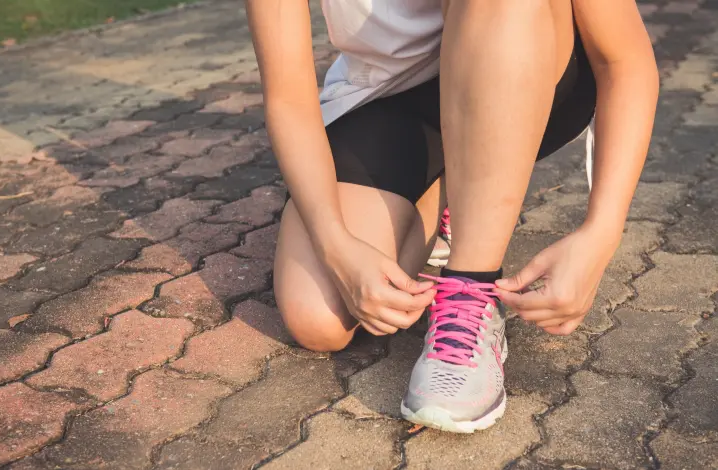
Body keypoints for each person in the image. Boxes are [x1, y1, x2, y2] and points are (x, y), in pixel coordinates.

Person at [245, 0, 658, 433]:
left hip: (524, 58)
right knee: (321, 318)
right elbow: (288, 97)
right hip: (389, 97)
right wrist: (335, 244)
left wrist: (601, 231)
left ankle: (470, 291)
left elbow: (625, 61)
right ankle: (458, 191)